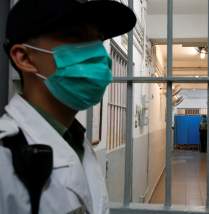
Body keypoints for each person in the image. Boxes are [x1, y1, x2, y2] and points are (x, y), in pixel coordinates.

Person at [0, 0, 136, 213]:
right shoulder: (4, 158)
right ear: (25, 57)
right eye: (76, 37)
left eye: (98, 40)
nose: (99, 55)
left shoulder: (76, 141)